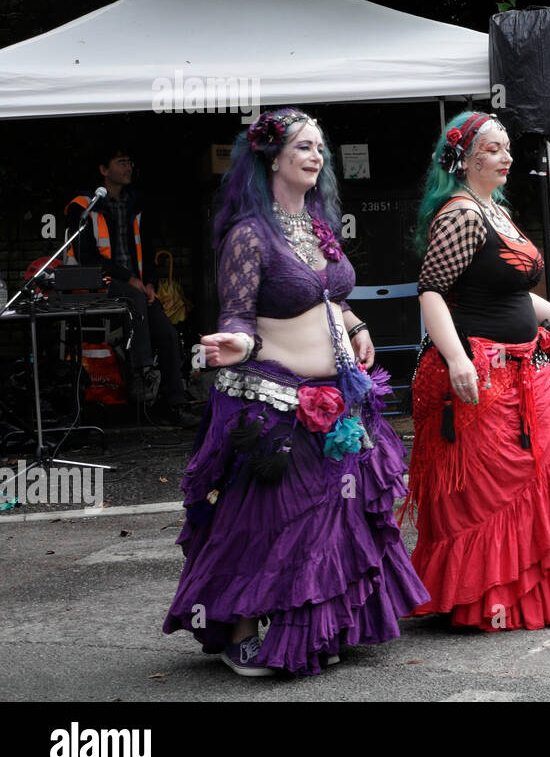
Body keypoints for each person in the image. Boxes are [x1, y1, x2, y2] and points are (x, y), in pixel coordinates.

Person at [163, 109, 429, 676]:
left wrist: (354, 325)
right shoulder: (248, 235)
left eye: (319, 148)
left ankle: (322, 626)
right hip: (276, 398)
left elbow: (329, 296)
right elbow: (237, 315)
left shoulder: (316, 226)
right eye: (303, 146)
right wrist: (237, 345)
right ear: (271, 157)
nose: (315, 155)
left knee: (334, 517)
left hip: (341, 395)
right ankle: (239, 631)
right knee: (268, 520)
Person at [403, 111, 550, 630]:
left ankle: (527, 598)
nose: (507, 157)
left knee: (533, 478)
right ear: (465, 158)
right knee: (492, 489)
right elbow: (431, 292)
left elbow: (516, 293)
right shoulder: (460, 213)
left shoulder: (494, 209)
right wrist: (457, 359)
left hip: (528, 369)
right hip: (486, 371)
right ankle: (481, 600)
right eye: (495, 149)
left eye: (506, 149)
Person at [65, 148, 196, 427]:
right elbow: (87, 256)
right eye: (121, 162)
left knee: (169, 334)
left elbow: (145, 250)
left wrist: (148, 280)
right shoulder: (83, 205)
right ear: (103, 169)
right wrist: (129, 278)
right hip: (97, 283)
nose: (128, 168)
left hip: (135, 285)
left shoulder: (135, 204)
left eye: (130, 163)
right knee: (135, 296)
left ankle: (174, 404)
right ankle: (142, 371)